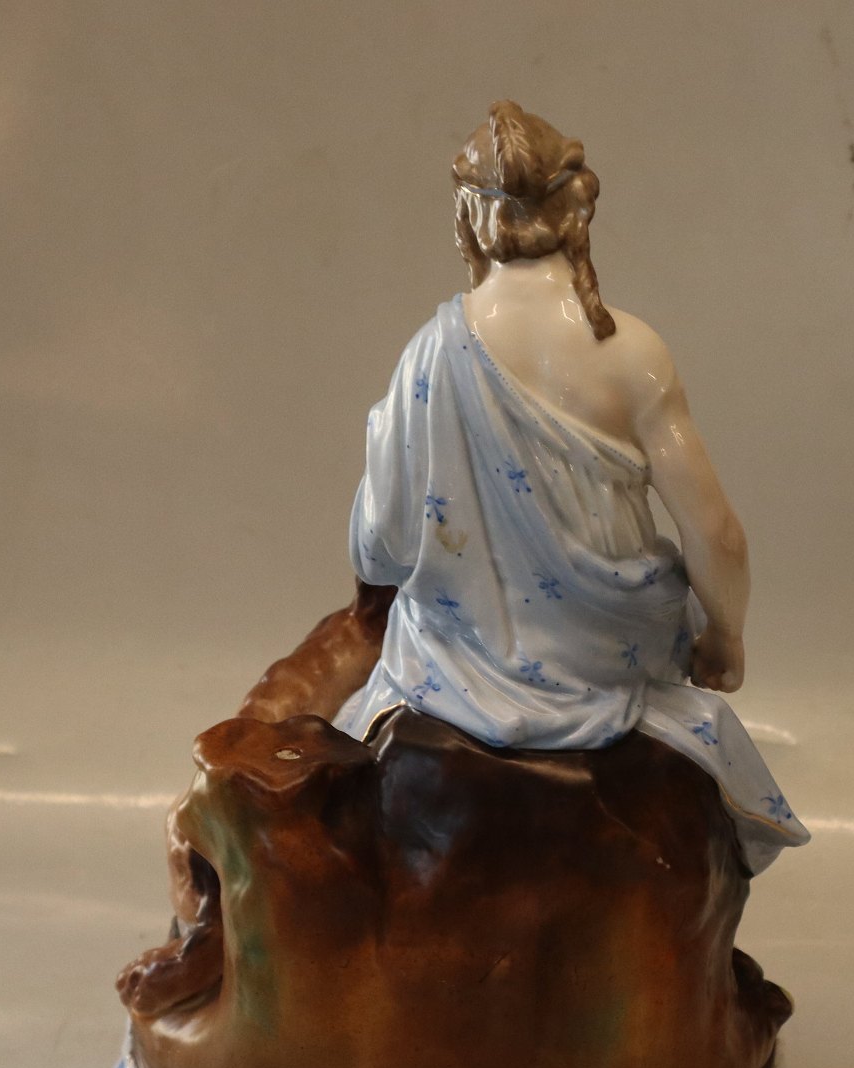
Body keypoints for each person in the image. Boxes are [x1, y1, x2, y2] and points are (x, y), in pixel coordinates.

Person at [334, 102, 808, 875]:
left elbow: (379, 552)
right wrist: (724, 639)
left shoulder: (429, 355)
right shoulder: (631, 352)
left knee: (349, 724)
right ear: (574, 208)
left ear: (469, 217)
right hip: (610, 653)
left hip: (455, 664)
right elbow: (716, 534)